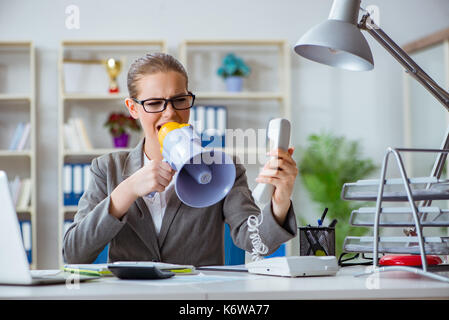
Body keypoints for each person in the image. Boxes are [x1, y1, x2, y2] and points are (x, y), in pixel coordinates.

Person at [63, 52, 298, 266]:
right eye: (154, 103)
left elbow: (259, 244)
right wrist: (128, 190)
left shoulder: (221, 167)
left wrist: (281, 200)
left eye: (180, 100)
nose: (170, 113)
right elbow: (73, 254)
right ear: (133, 108)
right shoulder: (107, 169)